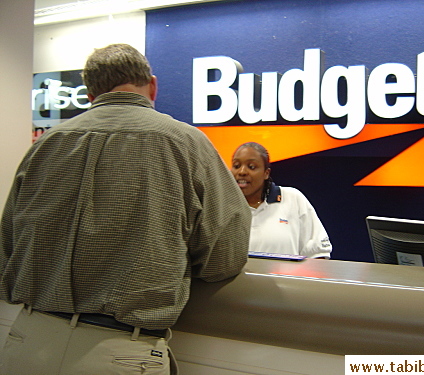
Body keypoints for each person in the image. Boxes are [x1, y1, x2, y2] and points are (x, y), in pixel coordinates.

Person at [0, 44, 251, 375]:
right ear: (153, 86)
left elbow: (9, 247)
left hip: (26, 341)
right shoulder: (186, 143)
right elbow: (224, 257)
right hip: (120, 353)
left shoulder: (45, 145)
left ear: (90, 95)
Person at [231, 142, 332, 259]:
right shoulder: (221, 206)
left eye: (251, 167)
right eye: (236, 166)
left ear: (266, 173)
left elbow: (318, 254)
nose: (242, 172)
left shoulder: (293, 198)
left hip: (287, 277)